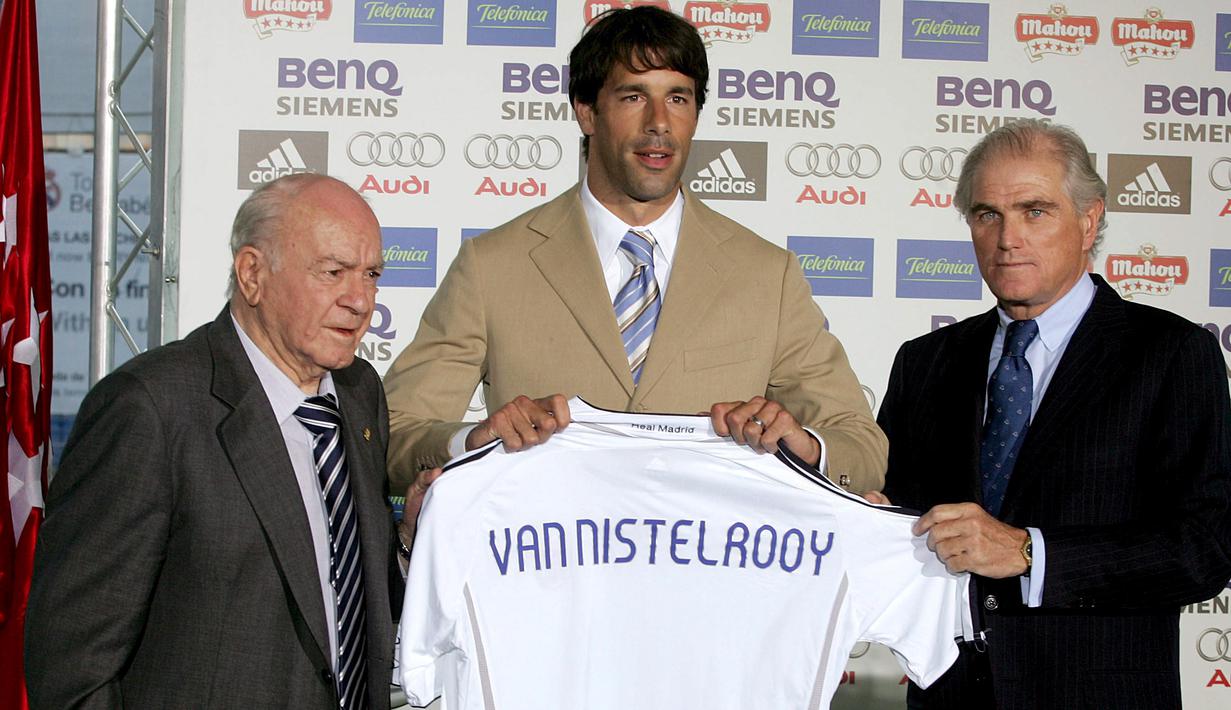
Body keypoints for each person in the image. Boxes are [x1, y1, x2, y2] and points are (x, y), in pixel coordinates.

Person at [384, 6, 886, 505]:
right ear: (586, 111)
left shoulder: (766, 274)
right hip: (541, 570)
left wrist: (803, 445)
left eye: (678, 98)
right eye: (633, 96)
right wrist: (474, 441)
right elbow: (397, 434)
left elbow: (861, 447)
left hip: (716, 574)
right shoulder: (491, 265)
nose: (660, 123)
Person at [875, 120, 1231, 708]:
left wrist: (1028, 552)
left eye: (1034, 211)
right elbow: (889, 515)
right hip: (950, 696)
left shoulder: (1171, 353)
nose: (1007, 238)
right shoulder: (926, 361)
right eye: (987, 214)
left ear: (1089, 220)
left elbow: (1205, 546)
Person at [26, 174, 402, 709]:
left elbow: (353, 602)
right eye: (333, 272)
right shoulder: (151, 410)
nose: (360, 300)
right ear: (252, 274)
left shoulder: (362, 393)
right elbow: (73, 669)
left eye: (371, 275)